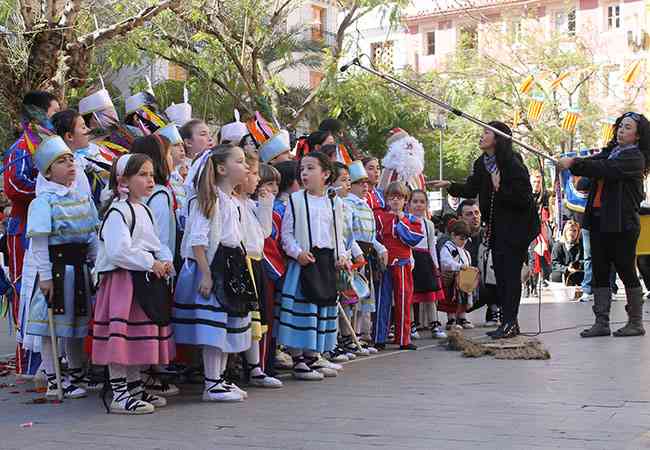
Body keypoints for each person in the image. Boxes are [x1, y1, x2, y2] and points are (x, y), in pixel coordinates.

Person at [431, 121, 538, 339]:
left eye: (486, 132)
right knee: (501, 274)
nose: (481, 136)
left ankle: (510, 322)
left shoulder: (513, 163)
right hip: (497, 227)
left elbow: (524, 198)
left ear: (498, 138)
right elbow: (472, 188)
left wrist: (500, 187)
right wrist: (449, 185)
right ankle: (508, 322)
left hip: (517, 228)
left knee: (509, 275)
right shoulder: (483, 163)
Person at [92, 153, 174, 414]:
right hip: (122, 282)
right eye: (142, 174)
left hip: (139, 281)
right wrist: (151, 263)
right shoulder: (119, 211)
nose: (150, 179)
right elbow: (119, 251)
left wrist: (164, 259)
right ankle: (119, 394)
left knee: (134, 338)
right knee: (121, 339)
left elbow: (155, 242)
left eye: (151, 174)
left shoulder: (143, 208)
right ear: (123, 180)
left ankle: (135, 388)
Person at [172, 144, 254, 401]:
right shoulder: (210, 199)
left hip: (231, 265)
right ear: (221, 168)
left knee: (228, 324)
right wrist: (206, 274)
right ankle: (211, 382)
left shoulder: (232, 200)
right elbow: (198, 240)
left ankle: (220, 378)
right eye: (240, 161)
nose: (247, 167)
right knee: (214, 328)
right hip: (213, 266)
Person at [558, 112, 650, 338]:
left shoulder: (633, 157)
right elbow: (594, 168)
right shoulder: (611, 153)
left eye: (627, 127)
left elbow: (603, 169)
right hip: (598, 220)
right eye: (620, 126)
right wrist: (578, 165)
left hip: (621, 224)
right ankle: (601, 322)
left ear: (637, 136)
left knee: (626, 270)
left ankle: (635, 322)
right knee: (599, 271)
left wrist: (574, 164)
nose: (621, 130)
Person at [23, 136, 99, 399]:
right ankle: (54, 375)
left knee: (76, 325)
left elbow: (92, 238)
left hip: (79, 271)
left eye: (70, 160)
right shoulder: (43, 202)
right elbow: (40, 242)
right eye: (61, 161)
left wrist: (96, 267)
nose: (70, 165)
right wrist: (45, 277)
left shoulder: (83, 199)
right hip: (56, 271)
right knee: (49, 325)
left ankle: (77, 372)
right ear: (47, 171)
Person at [275, 152, 349, 380]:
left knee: (320, 309)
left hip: (326, 262)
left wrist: (342, 256)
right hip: (304, 262)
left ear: (326, 174)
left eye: (310, 168)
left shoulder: (334, 202)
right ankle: (298, 359)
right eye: (303, 169)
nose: (304, 173)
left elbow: (338, 234)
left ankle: (312, 356)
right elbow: (286, 235)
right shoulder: (295, 201)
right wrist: (298, 253)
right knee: (302, 309)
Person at [4, 91, 60, 375]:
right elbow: (13, 185)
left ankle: (51, 363)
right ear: (38, 114)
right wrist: (51, 193)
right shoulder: (21, 148)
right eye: (53, 113)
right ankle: (28, 361)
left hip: (51, 230)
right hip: (24, 230)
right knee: (24, 291)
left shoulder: (51, 147)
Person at [235, 149, 283, 388]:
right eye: (252, 173)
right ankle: (242, 368)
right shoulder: (232, 203)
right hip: (241, 263)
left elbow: (264, 233)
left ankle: (256, 367)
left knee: (257, 320)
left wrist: (266, 205)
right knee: (244, 319)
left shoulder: (251, 204)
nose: (255, 179)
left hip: (255, 262)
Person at [374, 181, 424, 351]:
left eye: (400, 198)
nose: (395, 201)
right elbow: (375, 237)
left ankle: (404, 338)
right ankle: (379, 337)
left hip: (403, 265)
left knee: (404, 300)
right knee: (383, 301)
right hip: (384, 264)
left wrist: (401, 218)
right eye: (392, 197)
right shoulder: (379, 217)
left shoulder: (411, 219)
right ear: (386, 199)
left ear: (405, 201)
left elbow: (413, 238)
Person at [344, 161, 388, 344]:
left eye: (367, 183)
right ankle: (350, 335)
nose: (365, 186)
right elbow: (350, 233)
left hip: (367, 254)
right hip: (355, 255)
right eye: (360, 183)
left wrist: (381, 248)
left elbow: (371, 236)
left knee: (365, 296)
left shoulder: (365, 205)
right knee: (352, 297)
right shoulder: (348, 204)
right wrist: (357, 252)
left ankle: (363, 334)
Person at [51, 109, 112, 207]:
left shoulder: (78, 159)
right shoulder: (66, 168)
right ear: (69, 136)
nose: (88, 130)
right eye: (83, 127)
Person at [408, 189, 447, 339]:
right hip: (411, 260)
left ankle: (435, 324)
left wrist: (436, 266)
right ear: (409, 204)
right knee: (411, 296)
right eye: (415, 201)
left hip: (426, 260)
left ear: (426, 204)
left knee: (431, 295)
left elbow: (431, 246)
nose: (418, 205)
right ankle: (411, 325)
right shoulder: (406, 221)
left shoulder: (429, 224)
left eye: (422, 202)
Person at [439, 220, 474, 330]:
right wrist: (459, 266)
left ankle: (462, 317)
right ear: (453, 235)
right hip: (451, 279)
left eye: (466, 239)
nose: (464, 242)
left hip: (463, 280)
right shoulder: (447, 248)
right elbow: (445, 262)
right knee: (451, 300)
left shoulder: (465, 252)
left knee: (463, 299)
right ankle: (451, 319)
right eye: (461, 239)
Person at [550, 220, 584, 287]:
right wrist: (567, 269)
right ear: (565, 232)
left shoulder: (581, 245)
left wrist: (577, 266)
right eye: (570, 230)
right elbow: (554, 264)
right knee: (556, 275)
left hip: (577, 272)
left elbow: (585, 260)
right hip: (563, 272)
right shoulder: (558, 245)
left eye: (575, 231)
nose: (572, 233)